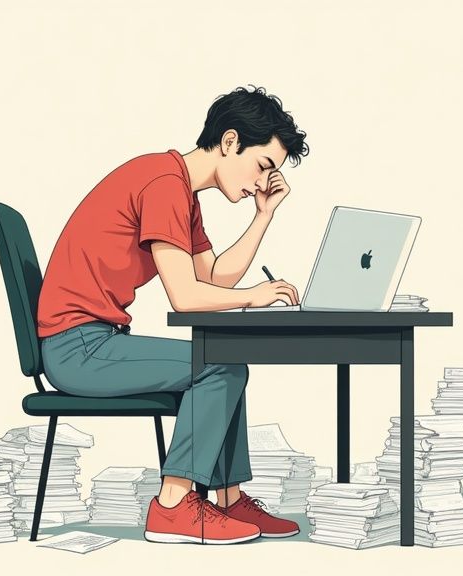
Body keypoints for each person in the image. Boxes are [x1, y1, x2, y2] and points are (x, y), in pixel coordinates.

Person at [36, 86, 309, 545]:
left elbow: (215, 277)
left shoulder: (181, 191)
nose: (263, 182)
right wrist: (253, 296)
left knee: (222, 357)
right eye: (263, 167)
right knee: (221, 366)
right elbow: (185, 296)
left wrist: (263, 215)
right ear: (229, 142)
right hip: (76, 347)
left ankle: (227, 498)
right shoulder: (163, 183)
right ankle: (172, 506)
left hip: (93, 340)